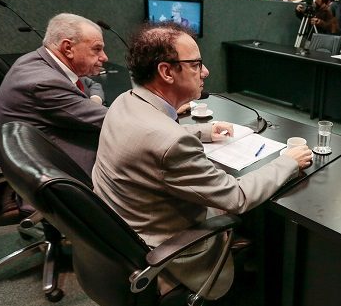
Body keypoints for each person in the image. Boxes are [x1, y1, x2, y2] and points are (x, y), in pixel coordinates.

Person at [92, 22, 313, 297]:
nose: (205, 71)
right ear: (166, 71)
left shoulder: (124, 101)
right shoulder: (171, 143)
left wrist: (204, 131)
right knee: (253, 212)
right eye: (196, 64)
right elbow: (237, 196)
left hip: (125, 232)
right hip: (167, 251)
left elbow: (152, 133)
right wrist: (288, 161)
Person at [0, 13, 108, 175]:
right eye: (97, 49)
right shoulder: (43, 83)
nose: (104, 57)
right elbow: (110, 120)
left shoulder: (41, 61)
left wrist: (93, 101)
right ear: (68, 48)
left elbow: (91, 83)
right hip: (65, 174)